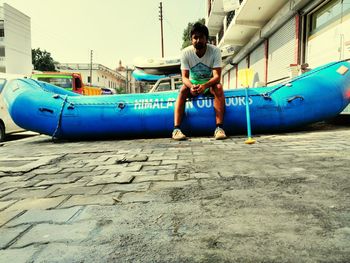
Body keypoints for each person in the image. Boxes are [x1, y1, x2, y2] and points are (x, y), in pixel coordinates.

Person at [172, 22, 227, 140]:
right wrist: (191, 86)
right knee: (182, 90)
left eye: (201, 37)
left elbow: (217, 76)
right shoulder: (186, 53)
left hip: (209, 83)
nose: (198, 40)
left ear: (206, 39)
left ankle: (219, 128)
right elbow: (184, 77)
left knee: (218, 87)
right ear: (191, 40)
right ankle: (176, 129)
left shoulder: (215, 51)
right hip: (194, 83)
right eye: (195, 37)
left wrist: (204, 85)